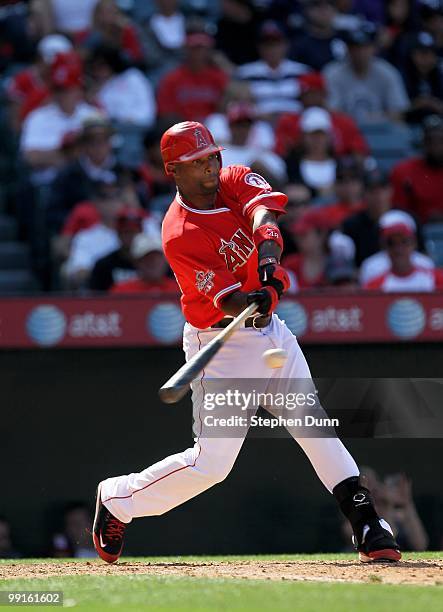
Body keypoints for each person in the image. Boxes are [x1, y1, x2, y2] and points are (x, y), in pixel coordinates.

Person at [92, 120, 401, 565]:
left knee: (314, 426)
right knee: (211, 466)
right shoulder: (179, 233)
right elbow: (228, 301)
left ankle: (368, 522)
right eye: (197, 163)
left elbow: (264, 215)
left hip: (271, 333)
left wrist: (269, 268)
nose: (210, 167)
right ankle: (118, 498)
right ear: (173, 172)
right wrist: (254, 296)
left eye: (211, 156)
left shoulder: (233, 177)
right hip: (221, 343)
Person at [323, 22, 410, 123]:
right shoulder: (332, 72)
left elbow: (398, 112)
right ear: (347, 49)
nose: (359, 52)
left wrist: (368, 120)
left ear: (374, 48)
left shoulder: (387, 72)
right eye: (355, 47)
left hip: (382, 133)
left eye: (365, 47)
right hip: (347, 132)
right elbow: (331, 112)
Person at [274, 72, 369, 159]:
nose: (310, 98)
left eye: (315, 93)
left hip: (338, 171)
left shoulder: (343, 121)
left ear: (324, 94)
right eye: (307, 94)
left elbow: (359, 151)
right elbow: (280, 153)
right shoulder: (288, 121)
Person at [235, 20, 310, 117]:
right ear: (259, 46)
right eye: (267, 44)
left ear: (286, 44)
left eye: (276, 43)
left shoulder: (302, 72)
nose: (271, 49)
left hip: (295, 125)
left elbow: (312, 103)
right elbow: (239, 106)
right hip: (259, 124)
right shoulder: (245, 73)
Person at [156, 28, 229, 122]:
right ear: (186, 50)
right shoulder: (172, 79)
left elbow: (227, 109)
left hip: (213, 130)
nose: (198, 53)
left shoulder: (219, 76)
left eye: (202, 49)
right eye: (194, 49)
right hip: (183, 129)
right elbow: (166, 112)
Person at [363, 209, 443, 291]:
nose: (398, 248)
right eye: (391, 243)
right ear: (384, 247)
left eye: (404, 242)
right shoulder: (374, 286)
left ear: (414, 243)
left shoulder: (435, 278)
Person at [390, 114, 443, 223]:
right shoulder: (404, 171)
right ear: (422, 142)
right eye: (430, 140)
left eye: (440, 140)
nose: (435, 145)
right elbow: (399, 215)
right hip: (417, 233)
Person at [87, 44, 156, 127]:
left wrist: (132, 119)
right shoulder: (96, 86)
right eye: (94, 67)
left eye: (101, 66)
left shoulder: (133, 77)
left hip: (138, 127)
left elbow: (147, 109)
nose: (98, 71)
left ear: (111, 63)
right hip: (111, 128)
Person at [290, 0, 347, 71]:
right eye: (317, 4)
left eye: (330, 3)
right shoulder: (299, 45)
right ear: (308, 11)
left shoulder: (346, 38)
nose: (324, 9)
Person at [110, 233, 177, 294]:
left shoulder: (180, 289)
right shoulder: (122, 291)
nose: (153, 262)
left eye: (157, 258)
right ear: (136, 262)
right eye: (147, 258)